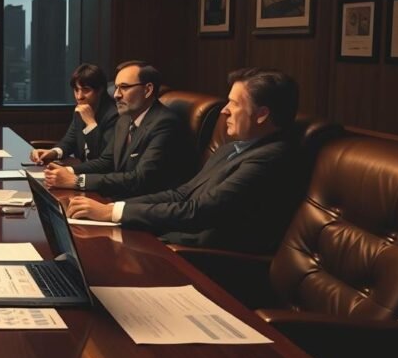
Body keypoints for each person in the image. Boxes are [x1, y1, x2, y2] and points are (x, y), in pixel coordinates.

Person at [67, 68, 300, 254]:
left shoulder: (271, 158)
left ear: (262, 114)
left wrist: (114, 213)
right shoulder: (231, 148)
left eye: (234, 104)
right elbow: (181, 194)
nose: (224, 111)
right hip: (171, 237)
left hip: (201, 257)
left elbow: (198, 212)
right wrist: (114, 208)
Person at [43, 60, 195, 199]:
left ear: (147, 90)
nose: (116, 95)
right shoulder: (125, 119)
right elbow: (106, 162)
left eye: (124, 87)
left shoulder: (164, 123)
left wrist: (78, 181)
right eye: (116, 88)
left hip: (147, 207)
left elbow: (140, 179)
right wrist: (67, 172)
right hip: (120, 196)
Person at [29, 63, 119, 164]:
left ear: (100, 90)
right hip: (81, 171)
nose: (79, 96)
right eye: (76, 90)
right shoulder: (80, 110)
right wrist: (53, 153)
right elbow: (69, 141)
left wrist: (91, 123)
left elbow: (103, 158)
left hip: (95, 176)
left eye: (86, 90)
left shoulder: (113, 115)